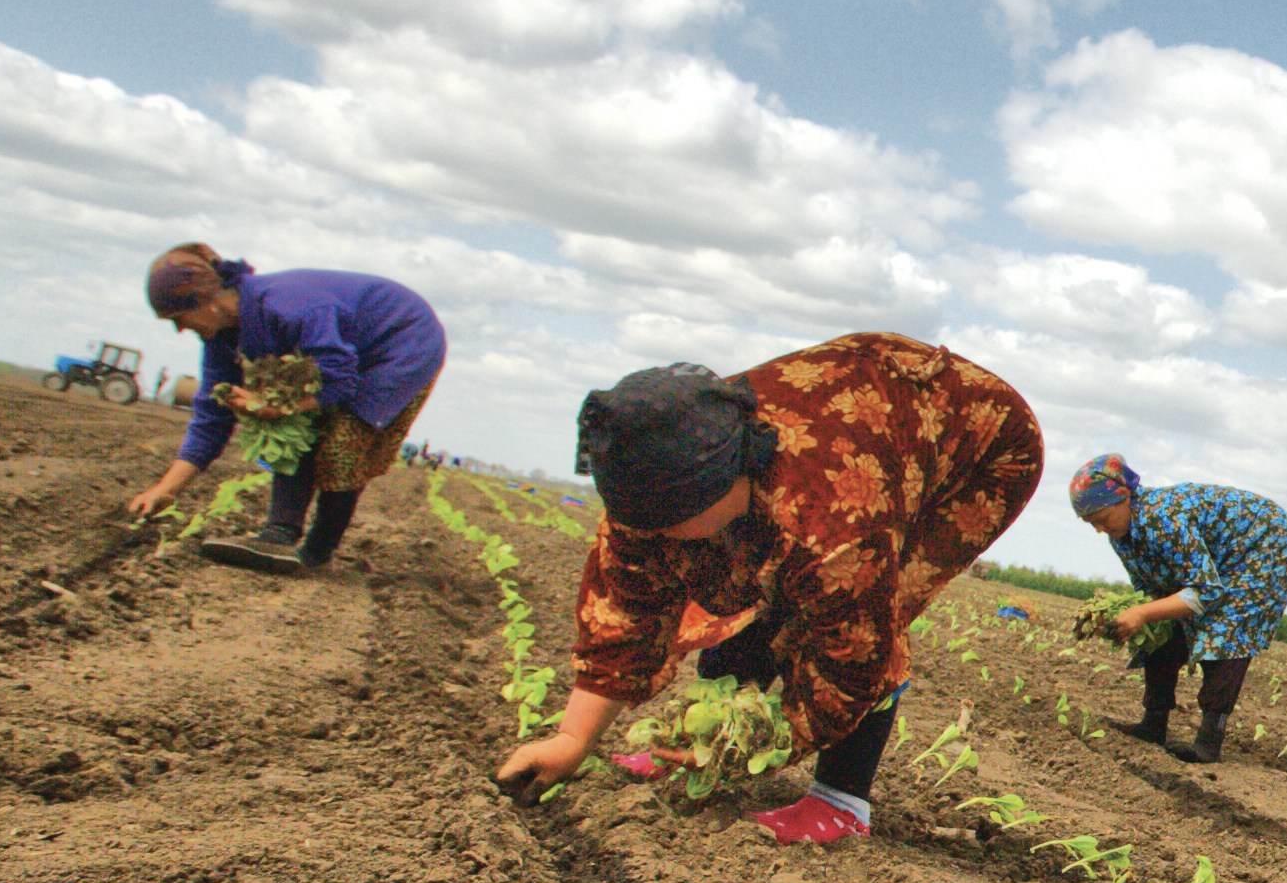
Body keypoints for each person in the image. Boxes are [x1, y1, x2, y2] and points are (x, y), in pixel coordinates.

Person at [495, 337, 1042, 845]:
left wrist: (754, 740)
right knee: (747, 585)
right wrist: (572, 740)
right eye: (644, 522)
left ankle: (842, 801)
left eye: (670, 521)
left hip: (977, 443)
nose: (655, 535)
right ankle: (698, 742)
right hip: (857, 413)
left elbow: (853, 656)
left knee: (860, 608)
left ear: (734, 477)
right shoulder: (653, 470)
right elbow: (623, 610)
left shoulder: (833, 518)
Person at [124, 246, 447, 574]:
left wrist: (278, 406)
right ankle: (278, 536)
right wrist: (166, 490)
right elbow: (211, 415)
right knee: (289, 427)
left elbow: (341, 382)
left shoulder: (287, 308)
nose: (180, 329)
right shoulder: (221, 339)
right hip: (348, 350)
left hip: (401, 341)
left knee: (343, 443)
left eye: (178, 318)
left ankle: (317, 552)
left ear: (204, 303)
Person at [1067, 456, 1287, 765]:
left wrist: (1142, 613)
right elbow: (1154, 594)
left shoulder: (1164, 518)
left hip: (1265, 545)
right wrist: (1127, 617)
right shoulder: (1121, 537)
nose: (1100, 529)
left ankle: (1208, 742)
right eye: (1091, 523)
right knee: (1162, 623)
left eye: (1103, 517)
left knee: (1225, 630)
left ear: (1124, 497)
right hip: (1221, 557)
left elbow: (1205, 591)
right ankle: (1153, 723)